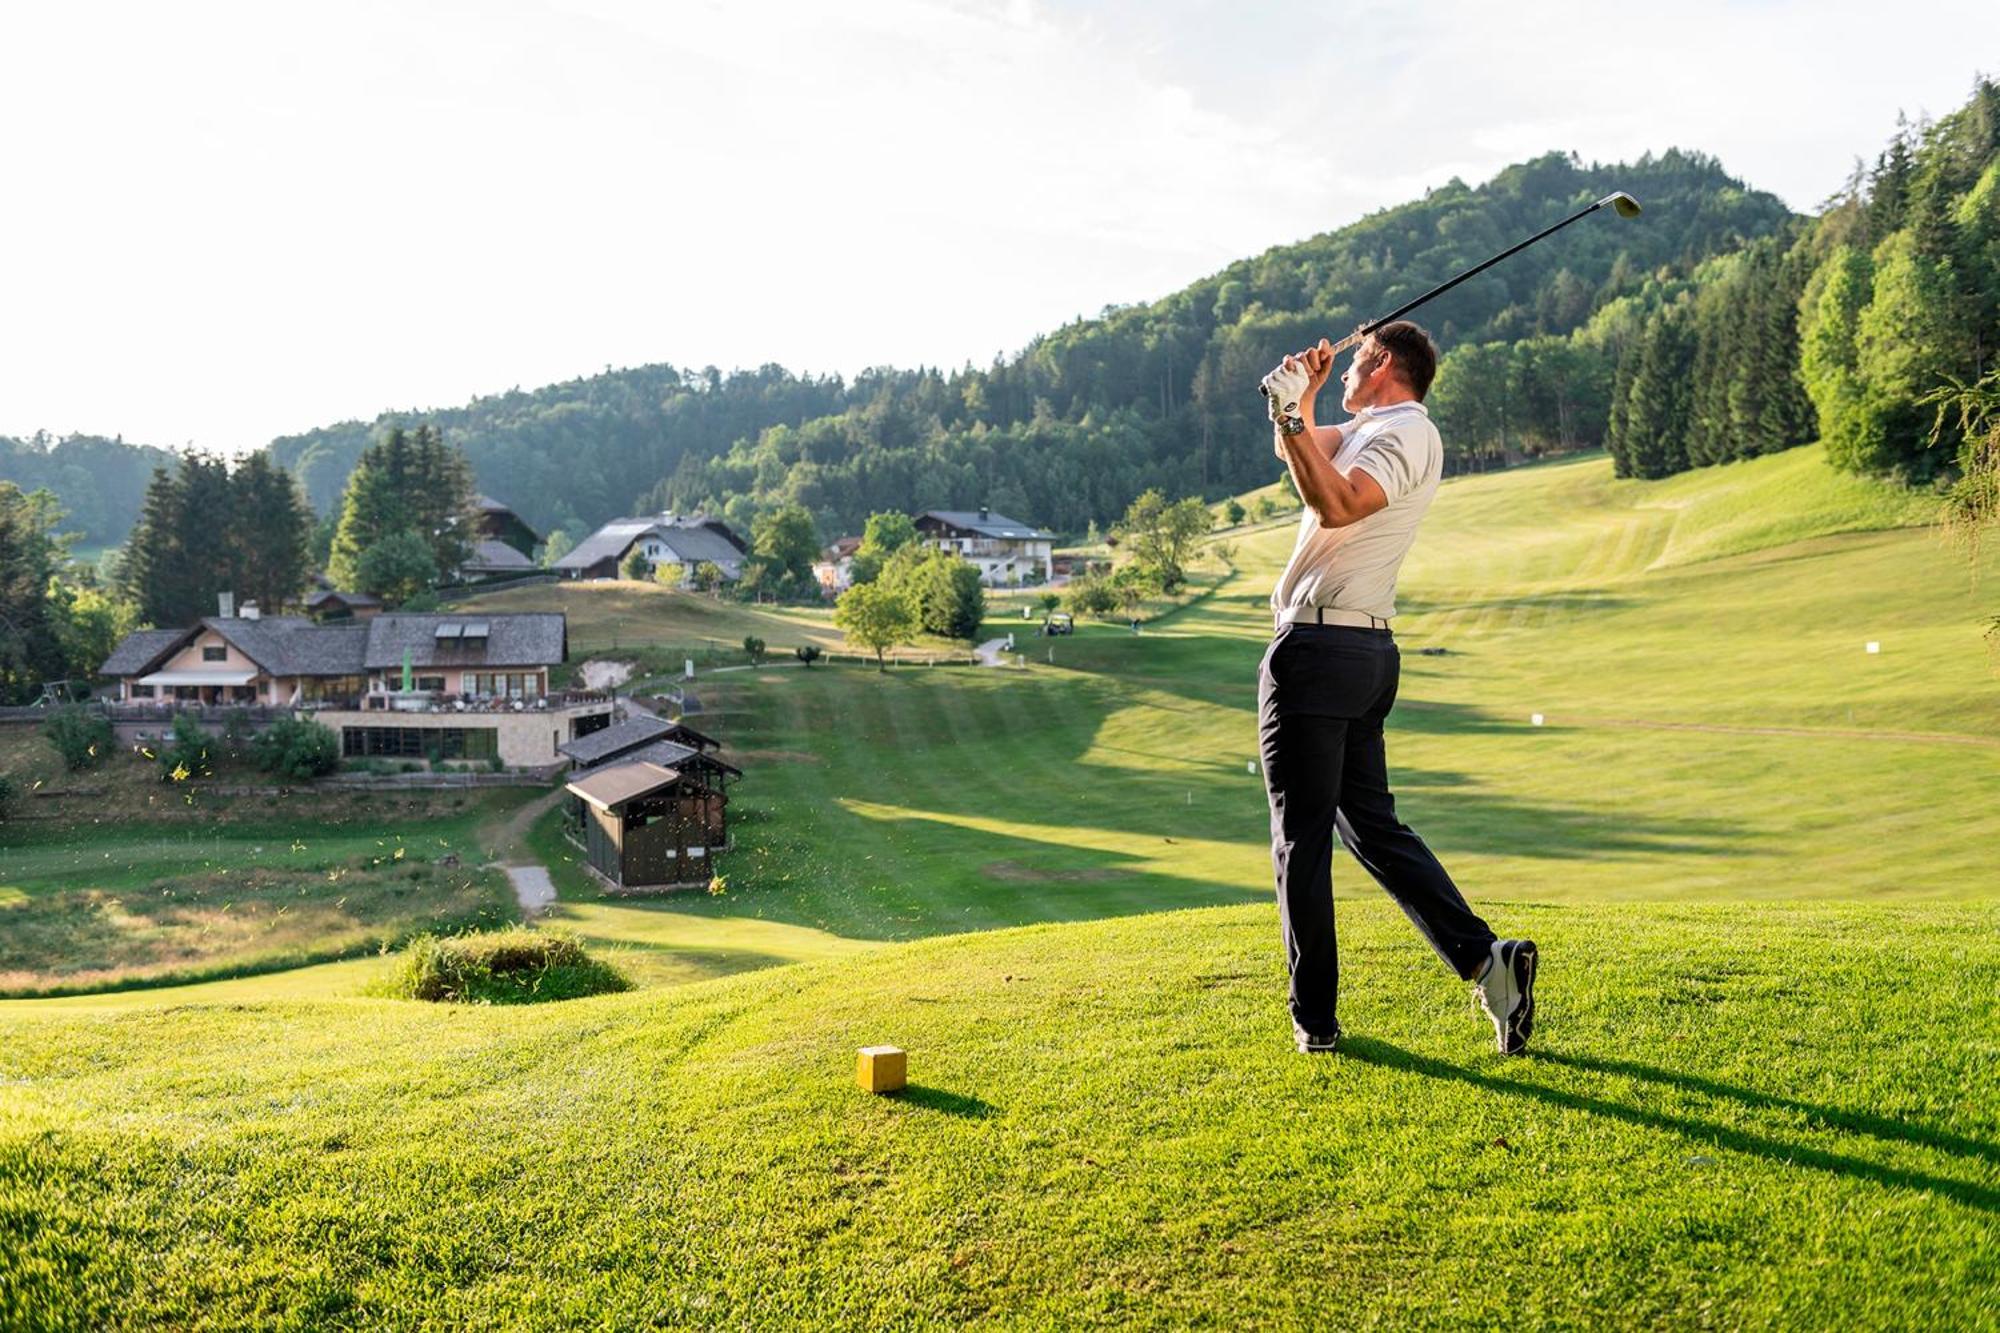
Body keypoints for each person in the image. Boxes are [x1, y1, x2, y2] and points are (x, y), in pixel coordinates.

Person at [1256, 323, 1537, 1056]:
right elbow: (1307, 457)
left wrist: (1293, 414)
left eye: (1355, 358)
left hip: (1322, 649)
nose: (1346, 367)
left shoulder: (1405, 433)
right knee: (1367, 825)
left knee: (1301, 841)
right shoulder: (1374, 427)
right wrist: (1300, 403)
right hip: (1355, 649)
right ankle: (1486, 961)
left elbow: (1337, 505)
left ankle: (1314, 1019)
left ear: (1382, 364)